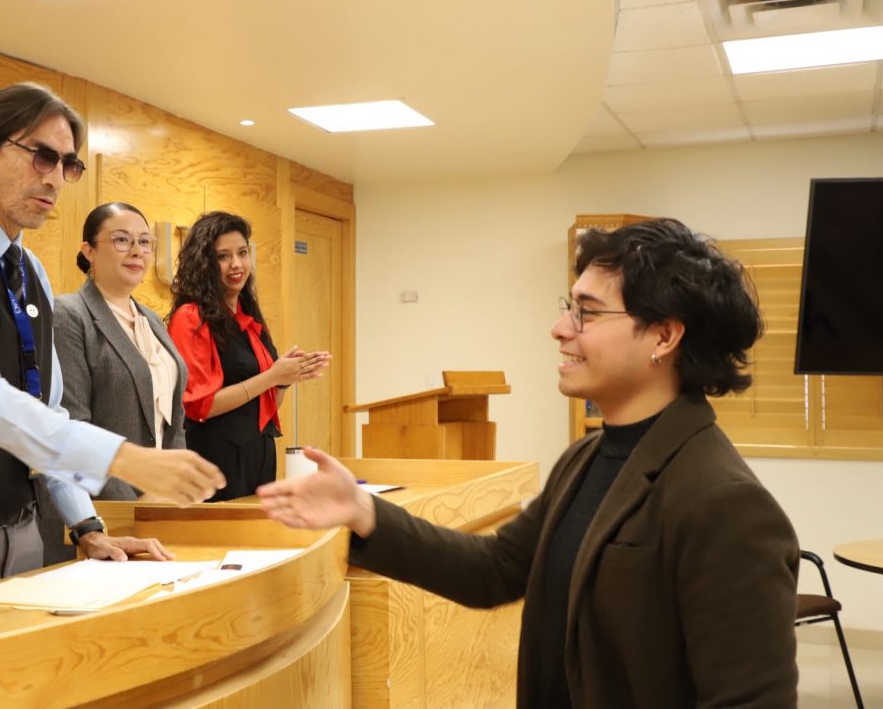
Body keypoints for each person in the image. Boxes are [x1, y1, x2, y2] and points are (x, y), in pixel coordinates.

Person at [259, 219, 799, 708]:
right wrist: (362, 509)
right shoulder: (586, 458)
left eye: (587, 312)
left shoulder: (725, 503)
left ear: (664, 335)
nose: (560, 328)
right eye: (569, 307)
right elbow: (494, 570)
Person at [0, 83, 224, 614]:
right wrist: (124, 458)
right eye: (42, 156)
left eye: (68, 164)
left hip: (20, 533)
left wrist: (86, 525)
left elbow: (43, 410)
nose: (54, 178)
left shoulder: (30, 271)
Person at [42, 202, 186, 565]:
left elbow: (172, 416)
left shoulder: (152, 320)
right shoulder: (68, 315)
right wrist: (131, 506)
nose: (137, 251)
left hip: (160, 507)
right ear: (88, 250)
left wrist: (172, 493)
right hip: (99, 513)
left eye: (145, 241)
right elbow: (74, 426)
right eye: (122, 240)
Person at [167, 211, 330, 501]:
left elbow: (266, 406)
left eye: (242, 253)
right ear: (204, 263)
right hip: (215, 459)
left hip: (259, 455)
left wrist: (285, 379)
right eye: (223, 256)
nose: (236, 264)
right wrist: (272, 376)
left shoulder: (247, 317)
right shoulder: (190, 317)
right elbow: (199, 406)